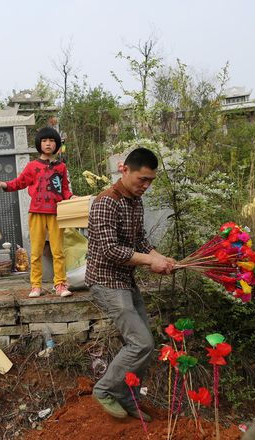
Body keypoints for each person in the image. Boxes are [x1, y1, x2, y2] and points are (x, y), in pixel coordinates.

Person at [86, 147, 175, 421]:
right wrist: (150, 262)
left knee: (144, 345)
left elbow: (140, 241)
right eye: (142, 180)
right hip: (105, 282)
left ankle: (126, 394)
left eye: (151, 181)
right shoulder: (105, 202)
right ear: (124, 169)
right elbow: (111, 250)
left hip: (125, 280)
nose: (146, 186)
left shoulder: (135, 201)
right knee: (141, 343)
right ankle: (105, 389)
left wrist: (160, 257)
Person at [0, 127, 73, 298]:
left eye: (51, 141)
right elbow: (19, 182)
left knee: (58, 251)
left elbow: (64, 190)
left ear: (56, 144)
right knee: (36, 251)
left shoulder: (61, 167)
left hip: (57, 213)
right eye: (44, 141)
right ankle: (36, 285)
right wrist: (3, 184)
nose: (48, 144)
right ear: (39, 144)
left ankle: (60, 284)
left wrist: (72, 197)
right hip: (36, 212)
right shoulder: (32, 166)